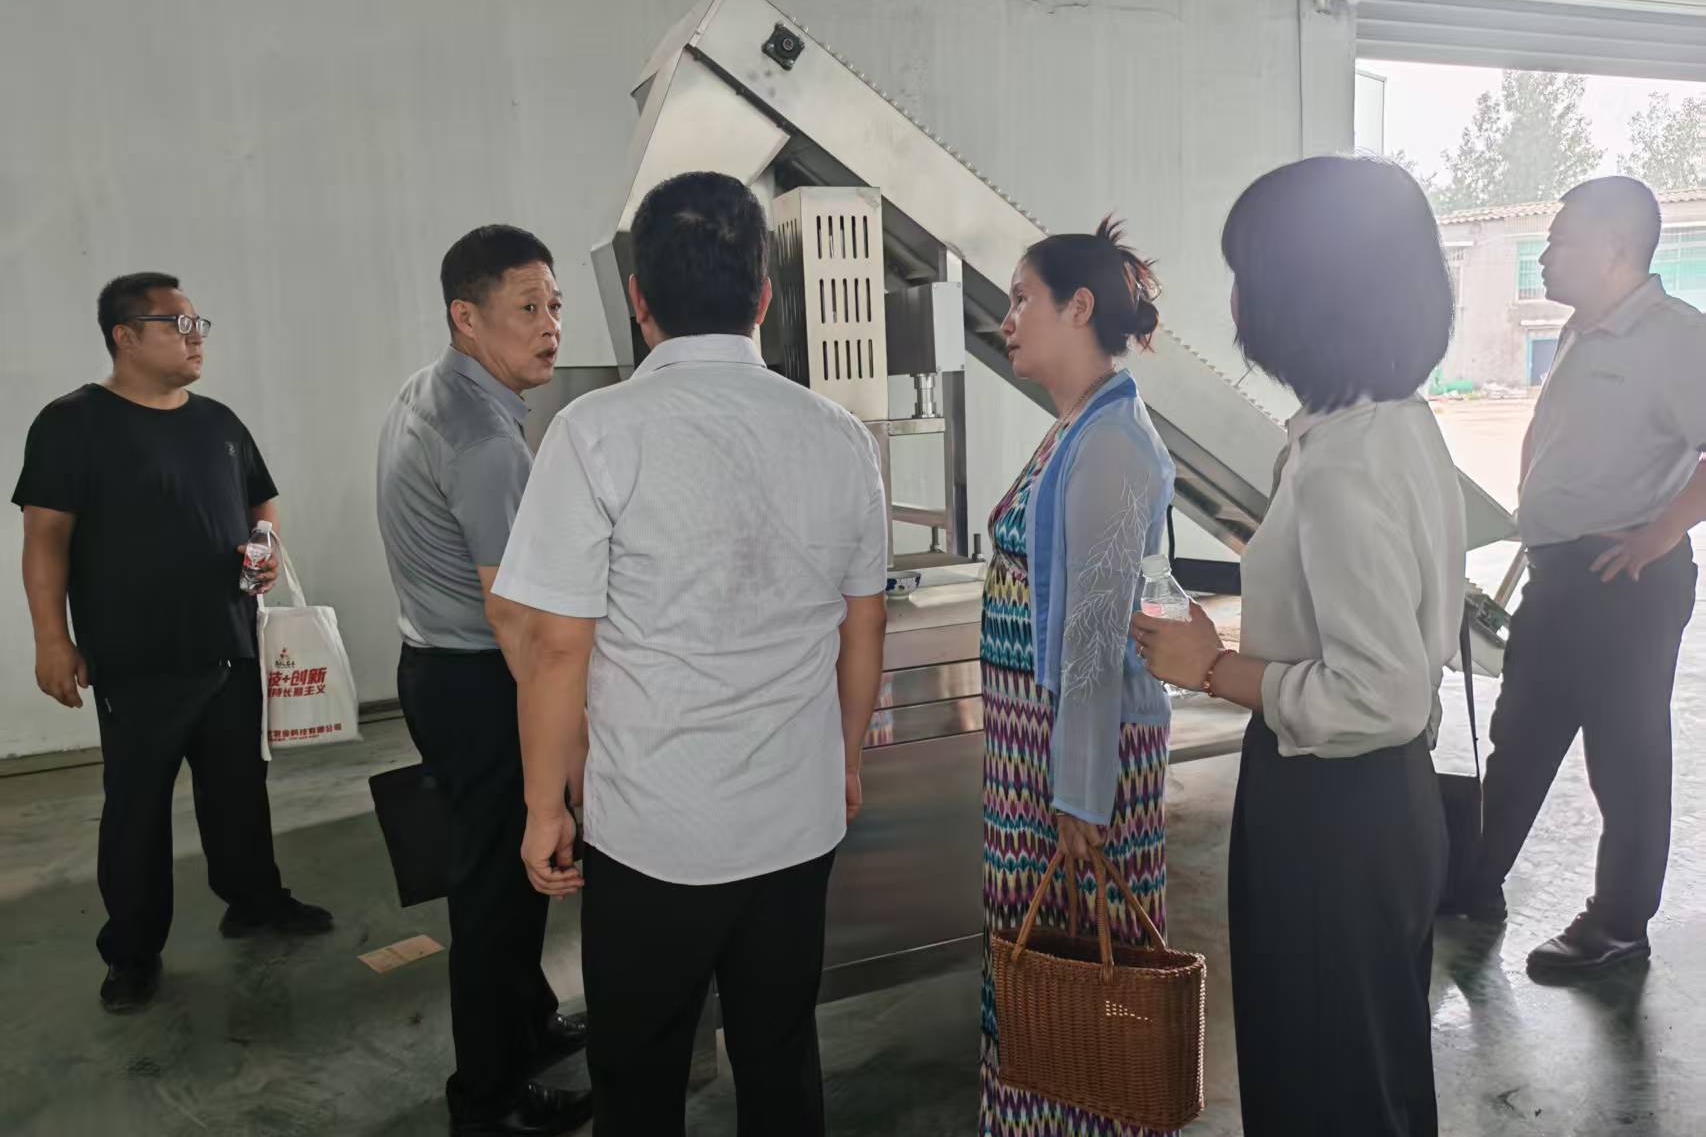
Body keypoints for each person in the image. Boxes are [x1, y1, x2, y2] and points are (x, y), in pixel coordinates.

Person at [492, 170, 889, 1136]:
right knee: (781, 1054)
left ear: (639, 299)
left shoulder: (594, 434)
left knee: (640, 1074)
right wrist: (842, 759)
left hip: (653, 832)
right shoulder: (838, 435)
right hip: (793, 821)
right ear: (765, 296)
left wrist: (544, 808)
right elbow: (864, 623)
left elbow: (555, 647)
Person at [1132, 157, 1464, 1136]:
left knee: (1320, 1082)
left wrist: (1212, 668)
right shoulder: (1393, 426)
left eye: (1248, 274)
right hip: (1383, 804)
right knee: (1370, 1070)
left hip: (1331, 809)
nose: (1235, 301)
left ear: (1307, 294)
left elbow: (1376, 694)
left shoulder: (1343, 464)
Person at [13, 273, 333, 1014]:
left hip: (230, 644)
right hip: (136, 659)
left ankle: (254, 901)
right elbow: (45, 539)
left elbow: (261, 502)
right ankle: (132, 951)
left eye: (199, 325)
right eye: (177, 324)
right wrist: (51, 639)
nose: (196, 338)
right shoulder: (71, 423)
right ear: (125, 336)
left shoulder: (219, 422)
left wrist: (265, 546)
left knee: (239, 792)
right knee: (136, 809)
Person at [1458, 177, 1706, 979]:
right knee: (1521, 732)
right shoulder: (1581, 328)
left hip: (1624, 581)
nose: (1546, 255)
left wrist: (1660, 533)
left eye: (1561, 240)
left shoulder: (1676, 337)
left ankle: (1619, 926)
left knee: (1624, 754)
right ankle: (1475, 882)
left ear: (1615, 248)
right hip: (1563, 574)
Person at [375, 226, 592, 1136]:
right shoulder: (483, 441)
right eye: (527, 308)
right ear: (466, 317)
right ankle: (489, 1098)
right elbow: (518, 620)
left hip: (433, 664)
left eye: (555, 305)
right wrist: (566, 747)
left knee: (497, 874)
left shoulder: (433, 390)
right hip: (478, 680)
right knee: (498, 892)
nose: (550, 326)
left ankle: (529, 1023)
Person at [976, 218, 1175, 1137]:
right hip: (1035, 755)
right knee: (1039, 963)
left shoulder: (1112, 443)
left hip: (1076, 767)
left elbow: (1095, 635)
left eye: (1023, 298)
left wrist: (1081, 796)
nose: (1007, 318)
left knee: (1087, 975)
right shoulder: (1073, 428)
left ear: (1079, 306)